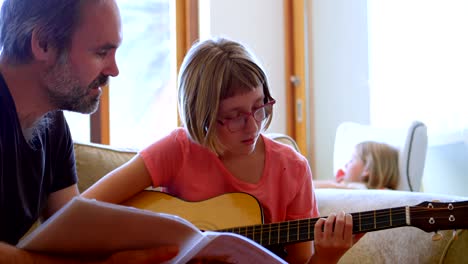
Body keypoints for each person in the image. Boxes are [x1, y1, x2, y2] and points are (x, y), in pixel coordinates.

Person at [83, 37, 361, 263]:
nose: (253, 125)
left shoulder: (293, 168)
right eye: (235, 116)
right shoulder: (179, 149)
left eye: (259, 106)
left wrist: (328, 255)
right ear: (201, 115)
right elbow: (82, 210)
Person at [0, 0, 178, 263]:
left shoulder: (52, 122)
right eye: (101, 53)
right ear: (44, 44)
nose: (114, 70)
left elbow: (69, 232)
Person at [315, 141, 400, 190]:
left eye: (352, 160)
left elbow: (308, 187)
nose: (346, 165)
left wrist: (335, 184)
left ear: (367, 169)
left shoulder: (358, 188)